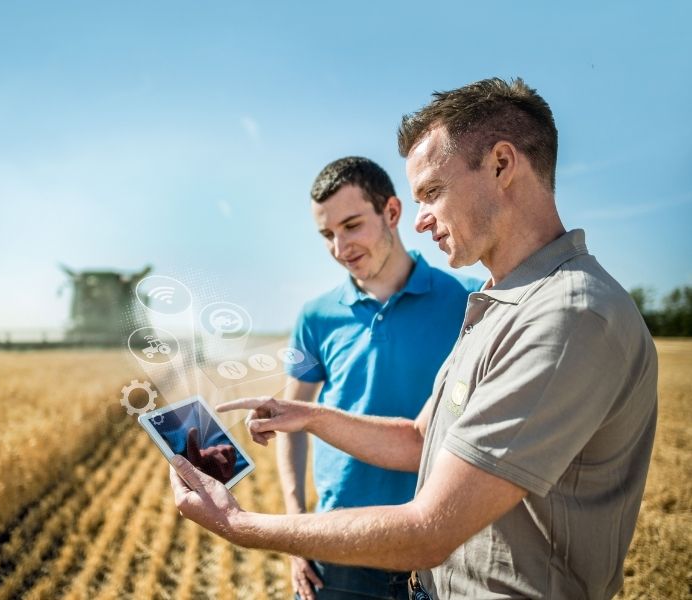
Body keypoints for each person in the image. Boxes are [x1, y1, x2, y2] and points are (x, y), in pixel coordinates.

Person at [169, 77, 658, 600]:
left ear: (501, 164)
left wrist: (240, 525)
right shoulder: (500, 305)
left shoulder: (566, 317)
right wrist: (311, 416)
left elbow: (430, 531)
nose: (421, 218)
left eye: (432, 192)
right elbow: (422, 440)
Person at [277, 157, 478, 600]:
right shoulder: (315, 316)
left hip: (442, 542)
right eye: (327, 235)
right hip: (340, 543)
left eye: (351, 225)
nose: (339, 247)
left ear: (391, 212)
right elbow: (292, 427)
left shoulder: (468, 301)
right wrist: (296, 527)